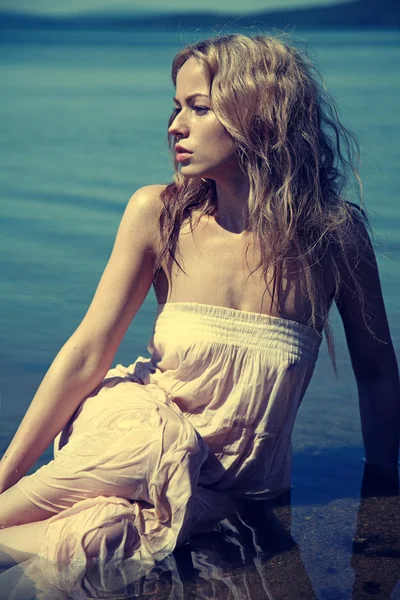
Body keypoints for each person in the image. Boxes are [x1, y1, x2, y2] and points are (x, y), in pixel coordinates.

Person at [0, 32, 398, 595]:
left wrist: (382, 495)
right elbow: (88, 352)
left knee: (95, 543)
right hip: (135, 436)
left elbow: (377, 372)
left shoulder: (333, 237)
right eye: (176, 107)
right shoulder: (156, 215)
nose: (174, 126)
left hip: (234, 487)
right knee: (157, 440)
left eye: (198, 107)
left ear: (259, 115)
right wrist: (6, 474)